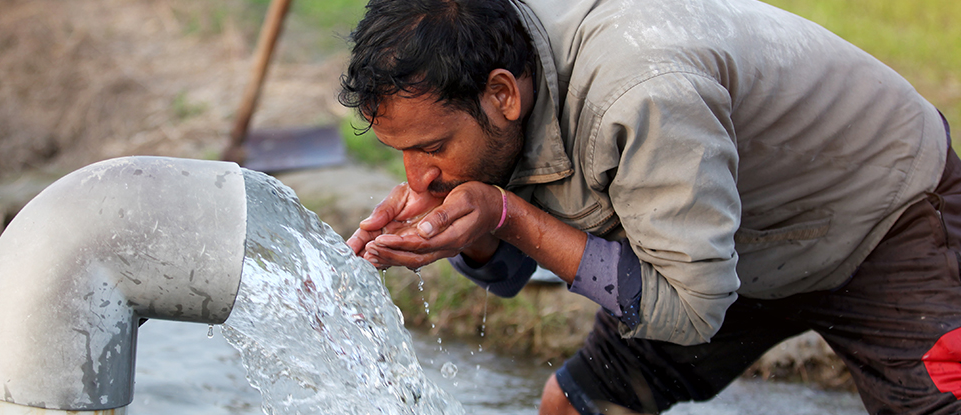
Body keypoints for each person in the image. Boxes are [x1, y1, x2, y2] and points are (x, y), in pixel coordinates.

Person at [338, 0, 960, 413]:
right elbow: (507, 272)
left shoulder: (641, 97)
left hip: (883, 212)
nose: (418, 178)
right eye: (403, 154)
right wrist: (459, 225)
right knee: (576, 406)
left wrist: (506, 215)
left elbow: (693, 311)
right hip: (715, 244)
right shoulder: (504, 63)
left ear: (504, 95)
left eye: (432, 149)